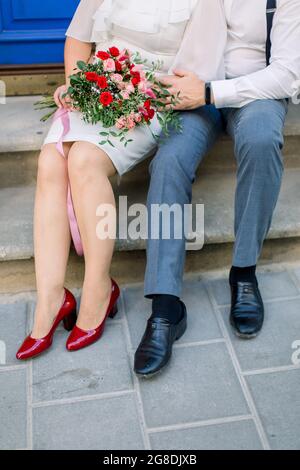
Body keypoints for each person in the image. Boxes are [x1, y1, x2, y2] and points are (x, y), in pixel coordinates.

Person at [16, 0, 226, 360]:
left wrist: (131, 95)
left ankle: (99, 288)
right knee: (51, 160)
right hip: (99, 90)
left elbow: (196, 75)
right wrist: (81, 88)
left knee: (83, 159)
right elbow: (78, 40)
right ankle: (51, 299)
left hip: (154, 100)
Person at [134, 0, 300, 377]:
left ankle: (243, 273)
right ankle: (166, 306)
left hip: (254, 92)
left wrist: (210, 93)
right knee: (168, 162)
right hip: (190, 91)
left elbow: (289, 74)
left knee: (260, 142)